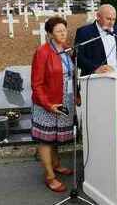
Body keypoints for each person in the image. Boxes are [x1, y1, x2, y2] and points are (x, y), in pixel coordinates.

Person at [31, 16, 79, 193]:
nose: (63, 34)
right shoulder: (42, 52)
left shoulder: (67, 49)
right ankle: (49, 175)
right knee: (45, 139)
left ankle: (57, 163)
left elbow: (72, 74)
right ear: (50, 34)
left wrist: (76, 94)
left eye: (65, 30)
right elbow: (36, 84)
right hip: (48, 102)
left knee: (56, 136)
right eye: (59, 31)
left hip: (65, 98)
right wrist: (47, 104)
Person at [74, 4, 117, 76]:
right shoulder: (84, 32)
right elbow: (78, 57)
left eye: (114, 19)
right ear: (98, 16)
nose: (111, 23)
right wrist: (95, 68)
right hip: (96, 78)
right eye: (108, 19)